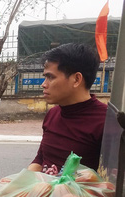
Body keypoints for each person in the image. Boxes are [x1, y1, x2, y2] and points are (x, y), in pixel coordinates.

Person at [27, 43, 107, 175]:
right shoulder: (53, 114)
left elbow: (109, 183)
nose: (44, 84)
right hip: (41, 192)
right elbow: (41, 159)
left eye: (50, 77)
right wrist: (21, 184)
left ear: (76, 79)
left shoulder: (104, 122)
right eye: (45, 77)